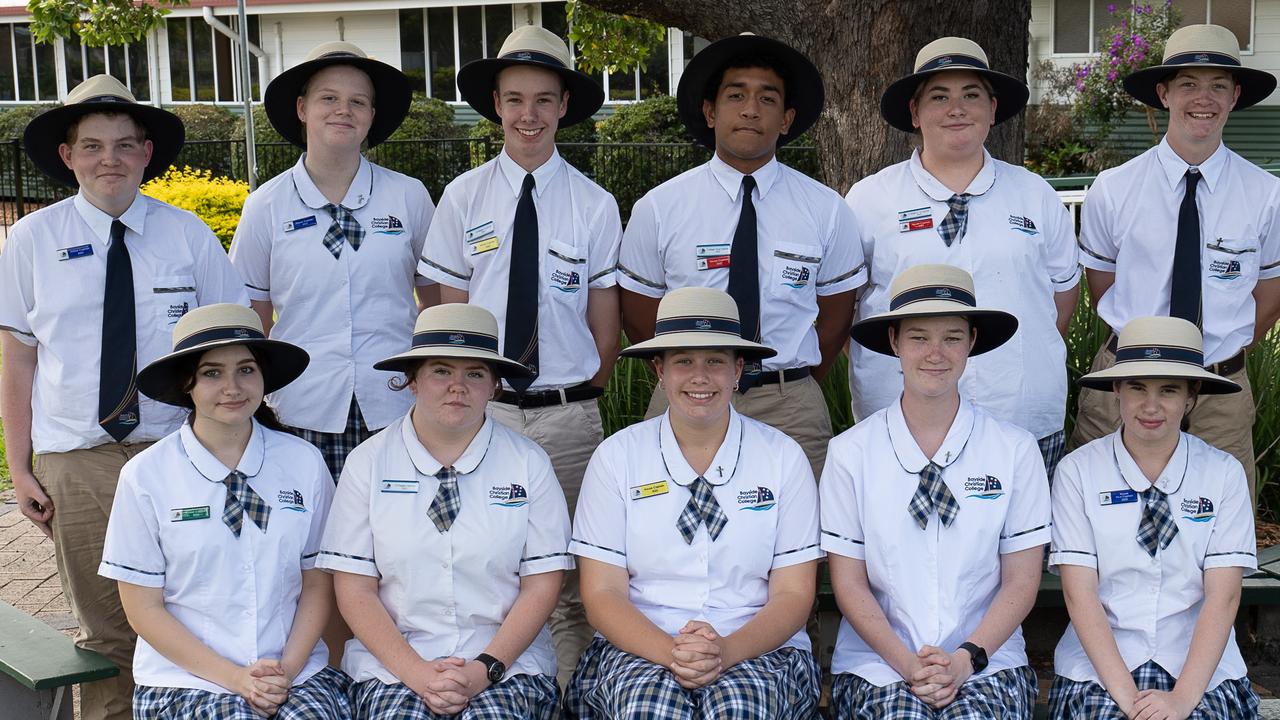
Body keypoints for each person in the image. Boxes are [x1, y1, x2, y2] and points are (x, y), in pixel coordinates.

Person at [0, 74, 248, 720]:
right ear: (67, 156)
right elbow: (19, 359)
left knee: (187, 615)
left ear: (146, 152)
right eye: (91, 146)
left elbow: (232, 343)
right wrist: (20, 463)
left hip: (176, 452)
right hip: (75, 463)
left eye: (122, 144)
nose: (107, 158)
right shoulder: (30, 243)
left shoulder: (188, 237)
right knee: (105, 631)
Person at [417, 24, 620, 686]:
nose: (527, 115)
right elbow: (448, 317)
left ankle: (569, 691)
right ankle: (492, 687)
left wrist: (584, 390)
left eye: (542, 99)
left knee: (569, 575)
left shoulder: (592, 204)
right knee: (486, 564)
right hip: (486, 416)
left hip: (566, 418)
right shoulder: (463, 197)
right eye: (513, 99)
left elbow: (603, 323)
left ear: (564, 105)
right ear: (495, 106)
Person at [565, 286, 823, 719]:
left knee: (740, 707)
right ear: (659, 371)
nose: (699, 377)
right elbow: (603, 592)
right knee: (649, 708)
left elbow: (794, 593)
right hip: (641, 643)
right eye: (683, 361)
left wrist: (724, 650)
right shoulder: (618, 457)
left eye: (715, 362)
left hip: (756, 645)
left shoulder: (782, 457)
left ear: (739, 370)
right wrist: (671, 651)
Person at [617, 33, 866, 479]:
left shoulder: (826, 208)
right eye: (735, 96)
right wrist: (691, 372)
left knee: (798, 539)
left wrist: (792, 380)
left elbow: (836, 315)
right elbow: (638, 313)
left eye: (767, 99)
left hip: (789, 404)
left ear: (787, 118)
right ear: (710, 112)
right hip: (687, 395)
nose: (751, 109)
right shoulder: (660, 207)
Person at [318, 304, 571, 718]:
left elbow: (542, 585)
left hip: (506, 665)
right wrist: (418, 674)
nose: (458, 386)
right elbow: (354, 589)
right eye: (440, 370)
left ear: (494, 386)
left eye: (474, 373)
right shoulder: (368, 463)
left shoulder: (528, 463)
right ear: (412, 381)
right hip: (394, 667)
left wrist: (483, 669)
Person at [844, 36, 1080, 480]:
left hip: (1023, 418)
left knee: (1023, 547)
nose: (957, 108)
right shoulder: (870, 200)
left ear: (992, 109)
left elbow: (1060, 304)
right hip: (901, 423)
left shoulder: (1036, 196)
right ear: (915, 113)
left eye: (971, 95)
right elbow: (847, 310)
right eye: (939, 96)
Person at [98, 304, 349, 719]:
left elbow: (317, 582)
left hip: (295, 674)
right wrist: (236, 679)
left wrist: (283, 671)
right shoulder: (145, 476)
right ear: (187, 384)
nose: (232, 386)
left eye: (246, 370)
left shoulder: (304, 462)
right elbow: (143, 608)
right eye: (213, 373)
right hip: (187, 680)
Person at [822, 264, 1049, 719]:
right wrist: (908, 664)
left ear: (972, 342)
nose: (935, 353)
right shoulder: (851, 453)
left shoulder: (1013, 450)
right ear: (894, 343)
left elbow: (1022, 579)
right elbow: (849, 582)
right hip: (878, 666)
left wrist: (965, 660)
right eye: (919, 337)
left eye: (952, 336)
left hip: (988, 663)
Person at [1072, 24, 1280, 497]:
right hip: (1124, 383)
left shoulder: (1266, 196)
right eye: (1188, 84)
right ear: (1163, 93)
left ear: (1235, 96)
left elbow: (1269, 293)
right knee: (1101, 516)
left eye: (1218, 86)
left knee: (1218, 533)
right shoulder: (1115, 188)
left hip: (1218, 393)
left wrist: (1221, 351)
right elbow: (1102, 283)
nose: (1202, 98)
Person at [230, 41, 436, 482]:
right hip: (303, 404)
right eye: (329, 98)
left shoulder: (409, 196)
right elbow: (254, 312)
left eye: (358, 101)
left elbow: (435, 299)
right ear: (302, 108)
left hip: (396, 403)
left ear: (372, 116)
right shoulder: (266, 205)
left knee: (392, 537)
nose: (343, 110)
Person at [1048, 316, 1259, 719]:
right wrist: (1129, 700)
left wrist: (1181, 700)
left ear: (1192, 396)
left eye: (1169, 390)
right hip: (1101, 667)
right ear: (1116, 388)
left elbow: (1223, 594)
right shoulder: (1078, 471)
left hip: (1199, 668)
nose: (1150, 406)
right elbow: (1081, 594)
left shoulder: (1222, 473)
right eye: (1137, 388)